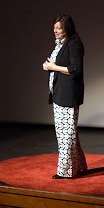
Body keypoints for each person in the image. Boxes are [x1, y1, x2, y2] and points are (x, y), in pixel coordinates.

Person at [42, 14, 88, 179]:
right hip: (59, 93)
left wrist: (53, 67)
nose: (55, 31)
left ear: (67, 28)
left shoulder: (74, 44)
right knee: (69, 134)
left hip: (68, 95)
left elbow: (75, 69)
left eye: (59, 28)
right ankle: (80, 166)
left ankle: (67, 172)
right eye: (54, 28)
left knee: (66, 136)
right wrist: (50, 66)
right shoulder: (61, 44)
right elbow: (60, 66)